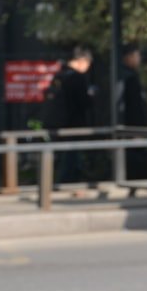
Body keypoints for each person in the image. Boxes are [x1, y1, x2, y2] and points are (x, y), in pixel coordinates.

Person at [45, 45, 95, 187]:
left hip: (58, 123)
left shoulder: (59, 75)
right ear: (82, 61)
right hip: (73, 124)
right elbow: (83, 102)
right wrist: (91, 96)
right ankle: (66, 185)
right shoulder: (77, 78)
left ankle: (65, 183)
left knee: (66, 157)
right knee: (71, 159)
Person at [119, 42, 147, 183]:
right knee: (136, 161)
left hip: (134, 126)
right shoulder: (128, 77)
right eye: (136, 56)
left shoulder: (129, 76)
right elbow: (134, 106)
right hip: (132, 127)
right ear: (128, 57)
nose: (139, 59)